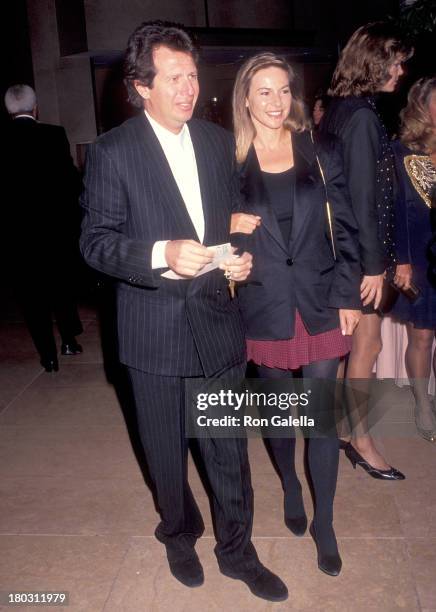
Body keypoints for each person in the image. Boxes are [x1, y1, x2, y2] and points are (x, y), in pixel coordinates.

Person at [80, 21, 288, 602]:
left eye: (192, 76)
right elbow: (94, 242)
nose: (188, 89)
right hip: (153, 330)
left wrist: (239, 261)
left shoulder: (218, 143)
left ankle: (238, 550)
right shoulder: (113, 152)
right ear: (141, 86)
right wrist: (159, 253)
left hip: (218, 324)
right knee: (165, 451)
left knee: (227, 448)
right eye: (174, 78)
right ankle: (177, 533)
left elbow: (233, 221)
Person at [230, 52, 361, 576]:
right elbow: (215, 232)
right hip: (264, 302)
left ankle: (325, 521)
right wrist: (228, 228)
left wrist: (350, 293)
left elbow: (347, 225)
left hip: (323, 297)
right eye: (264, 91)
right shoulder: (228, 159)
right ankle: (288, 482)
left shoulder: (321, 148)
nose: (275, 101)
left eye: (283, 90)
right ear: (245, 97)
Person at [320, 22, 413, 479]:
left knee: (351, 347)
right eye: (395, 60)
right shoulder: (358, 116)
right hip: (360, 256)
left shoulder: (344, 108)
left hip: (348, 252)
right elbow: (363, 200)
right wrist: (374, 267)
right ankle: (361, 439)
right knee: (367, 345)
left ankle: (338, 425)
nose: (401, 68)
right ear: (372, 61)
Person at [3, 84, 83, 372]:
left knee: (31, 298)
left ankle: (48, 357)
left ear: (8, 110)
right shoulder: (53, 135)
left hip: (17, 238)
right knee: (60, 287)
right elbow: (69, 182)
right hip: (54, 232)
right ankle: (69, 342)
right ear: (36, 108)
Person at [390, 76, 436, 442]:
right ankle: (422, 402)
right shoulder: (402, 151)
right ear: (423, 107)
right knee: (421, 337)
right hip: (421, 259)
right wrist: (401, 262)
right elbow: (397, 213)